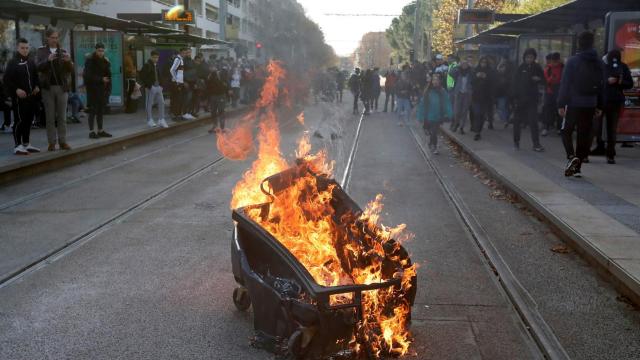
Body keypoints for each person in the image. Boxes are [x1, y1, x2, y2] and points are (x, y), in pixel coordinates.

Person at [557, 31, 605, 177]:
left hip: (573, 102)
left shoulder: (572, 61)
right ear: (592, 43)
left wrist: (561, 103)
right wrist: (599, 105)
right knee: (584, 134)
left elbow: (565, 83)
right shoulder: (599, 62)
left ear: (579, 43)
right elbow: (602, 85)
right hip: (591, 103)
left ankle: (572, 158)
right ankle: (578, 169)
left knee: (566, 131)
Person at [36, 28, 74, 151]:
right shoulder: (41, 51)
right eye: (52, 37)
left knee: (62, 117)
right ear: (47, 38)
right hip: (47, 88)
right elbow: (38, 67)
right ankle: (52, 142)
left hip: (62, 88)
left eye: (56, 37)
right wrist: (48, 60)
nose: (55, 40)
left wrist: (69, 62)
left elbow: (70, 70)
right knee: (50, 117)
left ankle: (63, 141)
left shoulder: (63, 51)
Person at [595, 49, 633, 164]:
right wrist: (607, 81)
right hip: (603, 101)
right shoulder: (603, 66)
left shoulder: (623, 67)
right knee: (598, 127)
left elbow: (630, 83)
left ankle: (610, 154)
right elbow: (597, 81)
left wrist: (619, 82)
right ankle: (602, 149)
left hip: (614, 101)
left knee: (610, 129)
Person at [4, 38, 40, 155]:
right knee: (20, 121)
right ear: (17, 48)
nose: (25, 50)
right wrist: (16, 90)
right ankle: (17, 145)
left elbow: (36, 77)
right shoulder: (12, 62)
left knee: (29, 120)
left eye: (26, 48)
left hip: (31, 97)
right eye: (22, 48)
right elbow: (6, 80)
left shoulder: (31, 61)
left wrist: (37, 86)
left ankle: (26, 143)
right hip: (19, 99)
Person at [512, 48, 545, 152]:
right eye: (527, 57)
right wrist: (514, 98)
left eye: (531, 57)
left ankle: (536, 144)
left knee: (533, 121)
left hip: (532, 99)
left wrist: (538, 79)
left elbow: (544, 80)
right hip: (521, 99)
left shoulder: (537, 67)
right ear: (524, 57)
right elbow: (515, 83)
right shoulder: (521, 68)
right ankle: (516, 141)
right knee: (517, 121)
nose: (529, 59)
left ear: (534, 58)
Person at [417, 74, 452, 154]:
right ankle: (431, 143)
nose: (435, 81)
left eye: (437, 80)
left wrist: (449, 113)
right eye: (434, 80)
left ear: (440, 81)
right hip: (428, 116)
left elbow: (447, 103)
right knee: (432, 131)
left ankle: (433, 146)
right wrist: (420, 116)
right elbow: (422, 104)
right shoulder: (428, 91)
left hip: (438, 116)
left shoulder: (442, 91)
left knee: (434, 132)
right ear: (431, 81)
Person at [83, 43, 112, 139]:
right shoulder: (90, 61)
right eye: (99, 50)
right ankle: (91, 131)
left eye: (102, 51)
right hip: (93, 90)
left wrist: (108, 90)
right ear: (95, 50)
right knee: (92, 110)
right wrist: (101, 79)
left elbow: (108, 75)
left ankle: (100, 130)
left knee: (100, 111)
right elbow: (87, 76)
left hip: (102, 90)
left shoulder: (105, 61)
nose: (101, 52)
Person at [140, 50, 168, 128]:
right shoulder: (147, 65)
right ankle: (149, 120)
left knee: (162, 103)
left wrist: (161, 85)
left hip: (158, 87)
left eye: (157, 57)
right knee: (149, 104)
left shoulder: (157, 65)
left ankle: (161, 119)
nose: (156, 59)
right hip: (151, 88)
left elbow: (160, 75)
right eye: (154, 57)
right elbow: (142, 76)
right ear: (151, 57)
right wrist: (149, 86)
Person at [471, 56, 494, 141]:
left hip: (486, 97)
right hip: (476, 97)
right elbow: (471, 81)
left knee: (482, 115)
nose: (483, 64)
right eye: (482, 62)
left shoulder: (490, 72)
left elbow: (493, 82)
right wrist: (477, 76)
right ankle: (477, 132)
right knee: (477, 114)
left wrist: (486, 77)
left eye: (485, 62)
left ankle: (479, 130)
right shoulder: (475, 70)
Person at [542, 53, 564, 136]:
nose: (555, 63)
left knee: (559, 109)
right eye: (553, 61)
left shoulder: (563, 67)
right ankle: (546, 127)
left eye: (556, 61)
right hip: (550, 91)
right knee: (548, 109)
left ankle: (559, 127)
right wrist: (551, 78)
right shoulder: (548, 68)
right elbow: (545, 81)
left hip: (560, 92)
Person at [450, 57, 472, 134]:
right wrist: (458, 66)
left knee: (464, 111)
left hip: (467, 94)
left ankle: (461, 127)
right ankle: (456, 123)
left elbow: (475, 71)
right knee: (456, 111)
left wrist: (470, 65)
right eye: (463, 64)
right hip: (458, 93)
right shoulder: (458, 72)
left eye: (466, 64)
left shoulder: (470, 72)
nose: (464, 65)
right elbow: (450, 73)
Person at [170, 48, 191, 121]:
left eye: (186, 53)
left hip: (180, 83)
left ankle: (179, 115)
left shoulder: (181, 59)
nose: (185, 54)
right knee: (177, 100)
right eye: (184, 53)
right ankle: (176, 116)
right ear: (181, 53)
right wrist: (176, 81)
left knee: (180, 100)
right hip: (177, 83)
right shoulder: (178, 59)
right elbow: (172, 70)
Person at [206, 64, 229, 133]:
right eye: (210, 67)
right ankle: (215, 126)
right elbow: (208, 86)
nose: (211, 68)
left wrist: (228, 91)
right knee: (213, 112)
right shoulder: (209, 76)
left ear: (216, 68)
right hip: (212, 96)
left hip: (221, 95)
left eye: (213, 67)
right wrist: (206, 97)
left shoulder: (221, 73)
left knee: (221, 111)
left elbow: (226, 82)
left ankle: (222, 128)